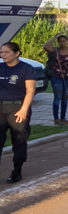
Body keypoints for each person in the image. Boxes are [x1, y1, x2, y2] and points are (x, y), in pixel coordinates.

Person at [0, 42, 36, 184]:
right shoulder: (0, 67)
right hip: (1, 108)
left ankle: (17, 171)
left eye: (6, 52)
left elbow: (30, 90)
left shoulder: (26, 69)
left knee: (19, 140)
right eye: (1, 52)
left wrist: (24, 110)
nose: (3, 55)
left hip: (18, 108)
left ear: (17, 53)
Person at [43, 35, 68, 126]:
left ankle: (63, 117)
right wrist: (53, 39)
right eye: (60, 41)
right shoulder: (55, 50)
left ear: (67, 41)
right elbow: (45, 47)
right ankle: (56, 119)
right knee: (57, 97)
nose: (62, 43)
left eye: (64, 41)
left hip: (67, 76)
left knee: (65, 97)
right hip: (56, 76)